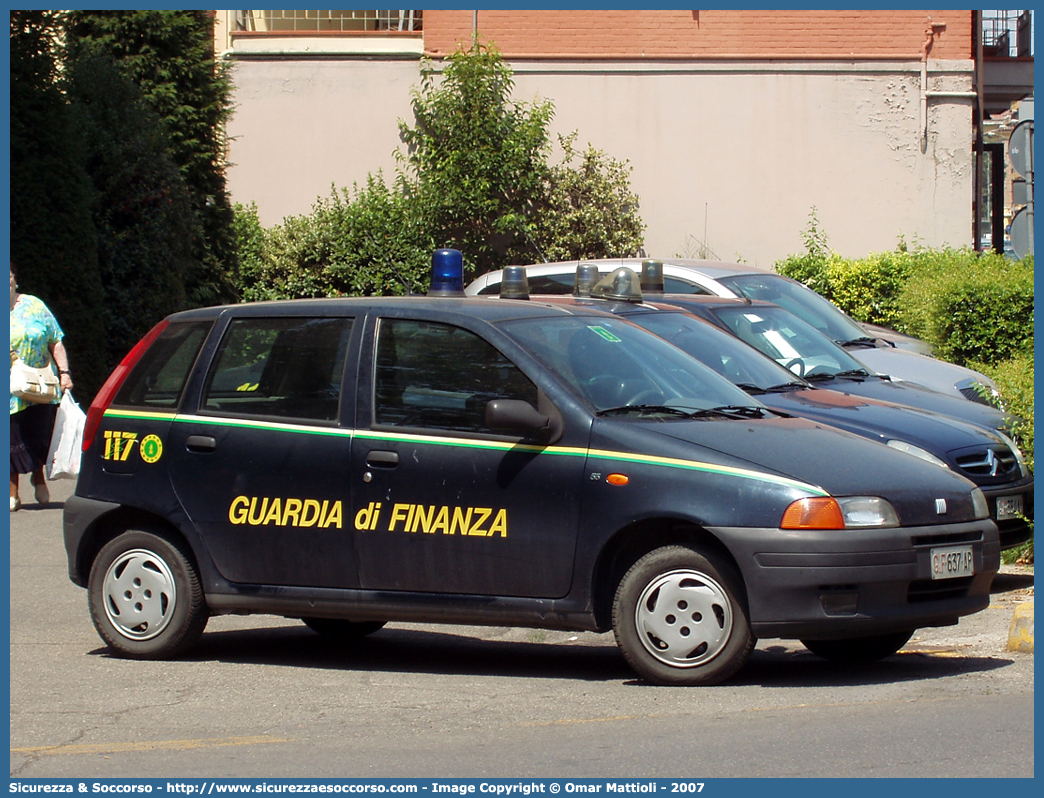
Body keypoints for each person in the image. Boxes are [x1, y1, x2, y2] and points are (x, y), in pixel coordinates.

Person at [10, 263, 73, 511]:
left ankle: (38, 477)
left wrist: (65, 373)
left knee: (36, 434)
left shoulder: (35, 305)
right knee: (10, 437)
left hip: (39, 384)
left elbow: (55, 340)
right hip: (8, 388)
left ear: (15, 280)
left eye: (8, 276)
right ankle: (12, 491)